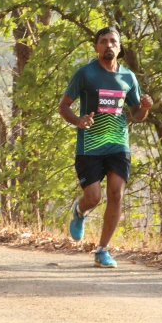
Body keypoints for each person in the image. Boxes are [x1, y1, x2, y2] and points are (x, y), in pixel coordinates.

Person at [58, 26, 153, 268]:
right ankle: (80, 211)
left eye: (113, 41)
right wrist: (79, 121)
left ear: (119, 48)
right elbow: (64, 106)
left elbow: (136, 115)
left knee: (115, 194)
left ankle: (102, 250)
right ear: (96, 47)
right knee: (94, 197)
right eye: (104, 41)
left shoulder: (128, 78)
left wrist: (145, 107)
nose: (109, 45)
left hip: (118, 144)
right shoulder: (85, 74)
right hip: (89, 144)